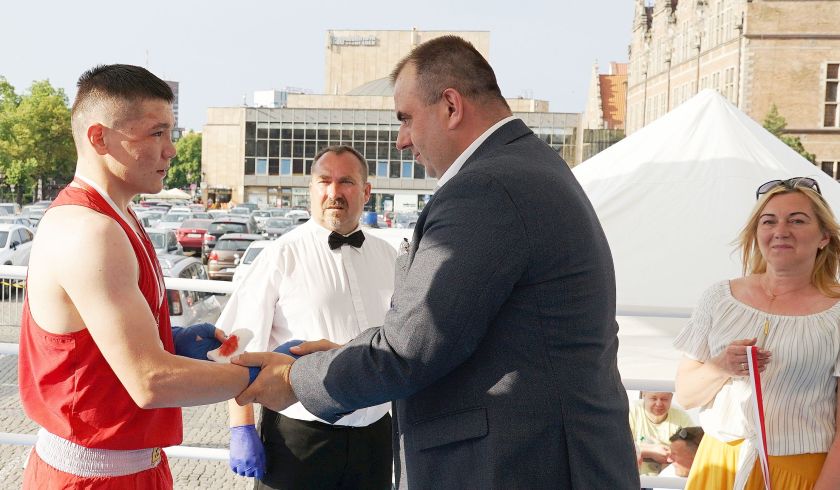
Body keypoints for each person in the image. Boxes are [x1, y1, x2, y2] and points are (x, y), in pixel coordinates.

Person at [234, 35, 639, 489]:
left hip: (522, 465)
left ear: (451, 106)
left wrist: (295, 378)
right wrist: (344, 357)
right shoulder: (528, 165)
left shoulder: (486, 188)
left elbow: (411, 349)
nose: (402, 141)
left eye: (406, 118)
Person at [17, 64, 268, 489]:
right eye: (156, 133)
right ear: (100, 138)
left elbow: (93, 347)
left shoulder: (117, 214)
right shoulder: (89, 230)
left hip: (132, 465)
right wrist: (267, 376)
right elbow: (150, 381)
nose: (171, 150)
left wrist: (168, 340)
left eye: (171, 132)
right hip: (89, 476)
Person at [217, 145, 396, 489]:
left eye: (346, 181)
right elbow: (235, 349)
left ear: (366, 192)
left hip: (374, 438)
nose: (334, 192)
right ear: (311, 189)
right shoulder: (280, 255)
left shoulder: (389, 257)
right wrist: (241, 427)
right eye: (324, 181)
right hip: (298, 439)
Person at [674, 177, 840, 489]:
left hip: (797, 475)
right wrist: (721, 366)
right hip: (717, 465)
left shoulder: (836, 313)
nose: (781, 230)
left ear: (824, 237)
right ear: (757, 233)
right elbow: (685, 394)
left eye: (797, 220)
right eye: (769, 221)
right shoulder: (719, 298)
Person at [629, 391, 694, 475]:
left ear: (671, 397)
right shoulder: (631, 410)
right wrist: (650, 451)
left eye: (664, 399)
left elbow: (694, 448)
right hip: (635, 477)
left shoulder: (682, 416)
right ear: (643, 395)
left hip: (669, 478)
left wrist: (670, 453)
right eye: (653, 398)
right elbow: (618, 447)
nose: (659, 404)